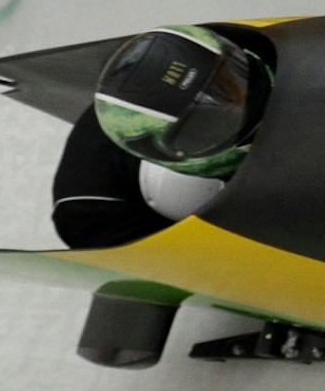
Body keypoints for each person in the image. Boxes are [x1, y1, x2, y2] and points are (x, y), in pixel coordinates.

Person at [50, 24, 273, 249]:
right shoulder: (90, 218)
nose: (235, 106)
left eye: (230, 81)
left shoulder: (233, 41)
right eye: (205, 122)